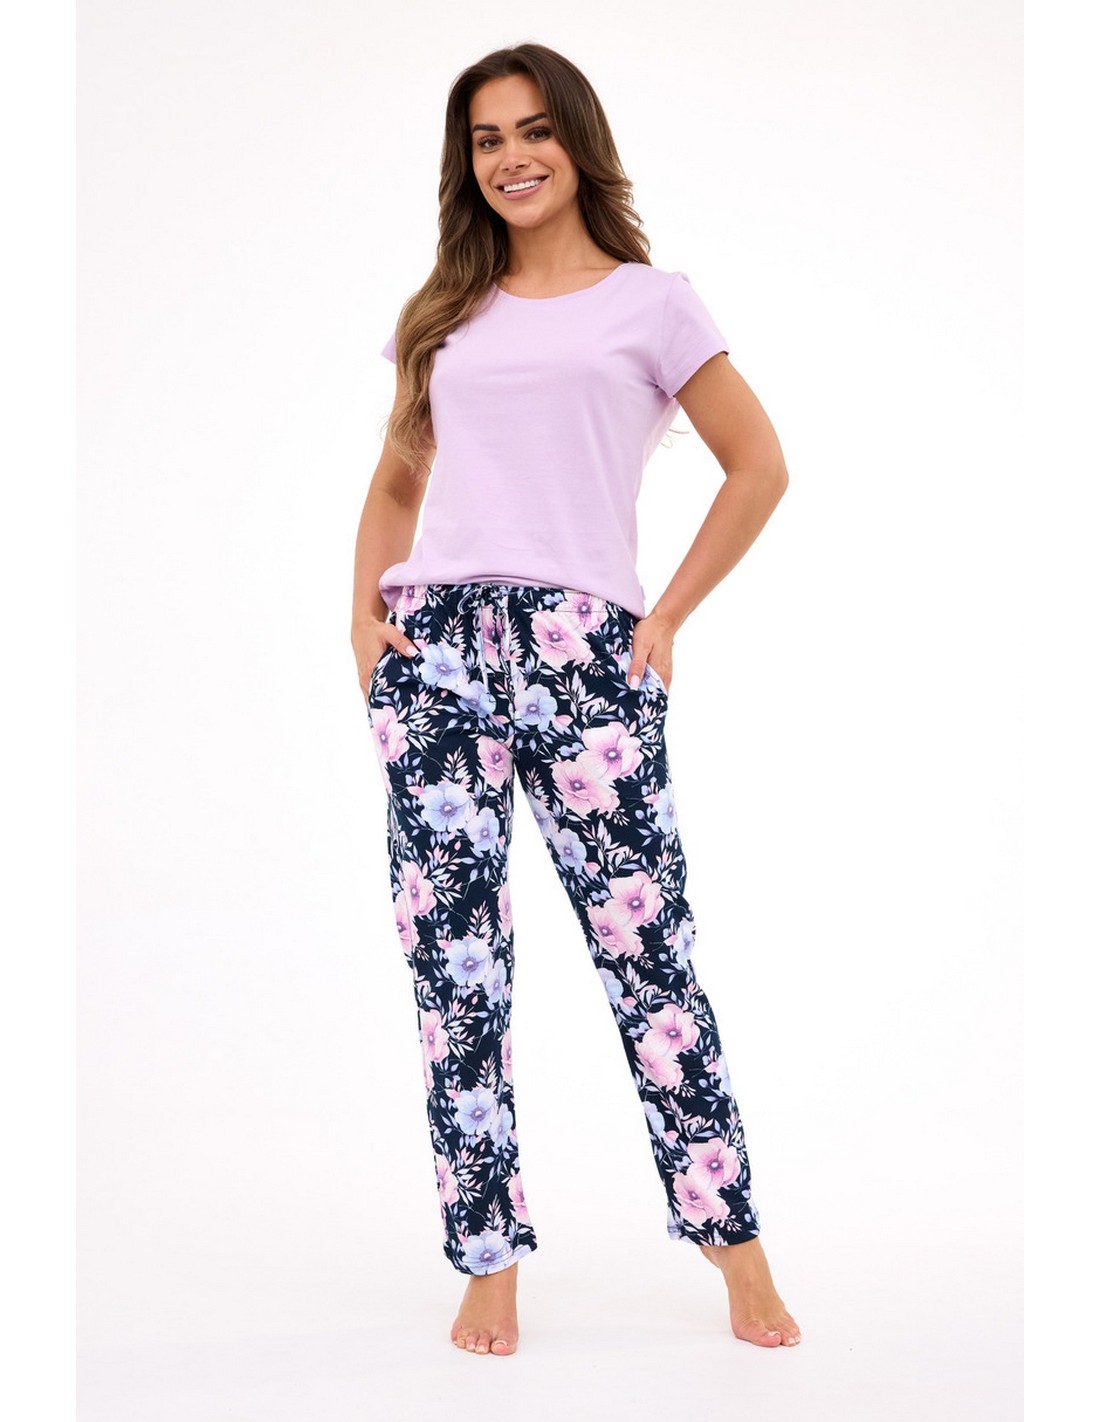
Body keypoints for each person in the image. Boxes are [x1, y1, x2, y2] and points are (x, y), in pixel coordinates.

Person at [350, 42, 800, 1357]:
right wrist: (364, 630)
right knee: (456, 971)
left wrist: (664, 617)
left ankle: (734, 1247)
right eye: (486, 138)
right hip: (436, 654)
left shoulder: (654, 306)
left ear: (577, 141)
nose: (512, 157)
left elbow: (759, 465)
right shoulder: (445, 311)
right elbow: (397, 480)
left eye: (533, 130)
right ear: (468, 163)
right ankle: (486, 1259)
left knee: (649, 960)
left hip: (586, 653)